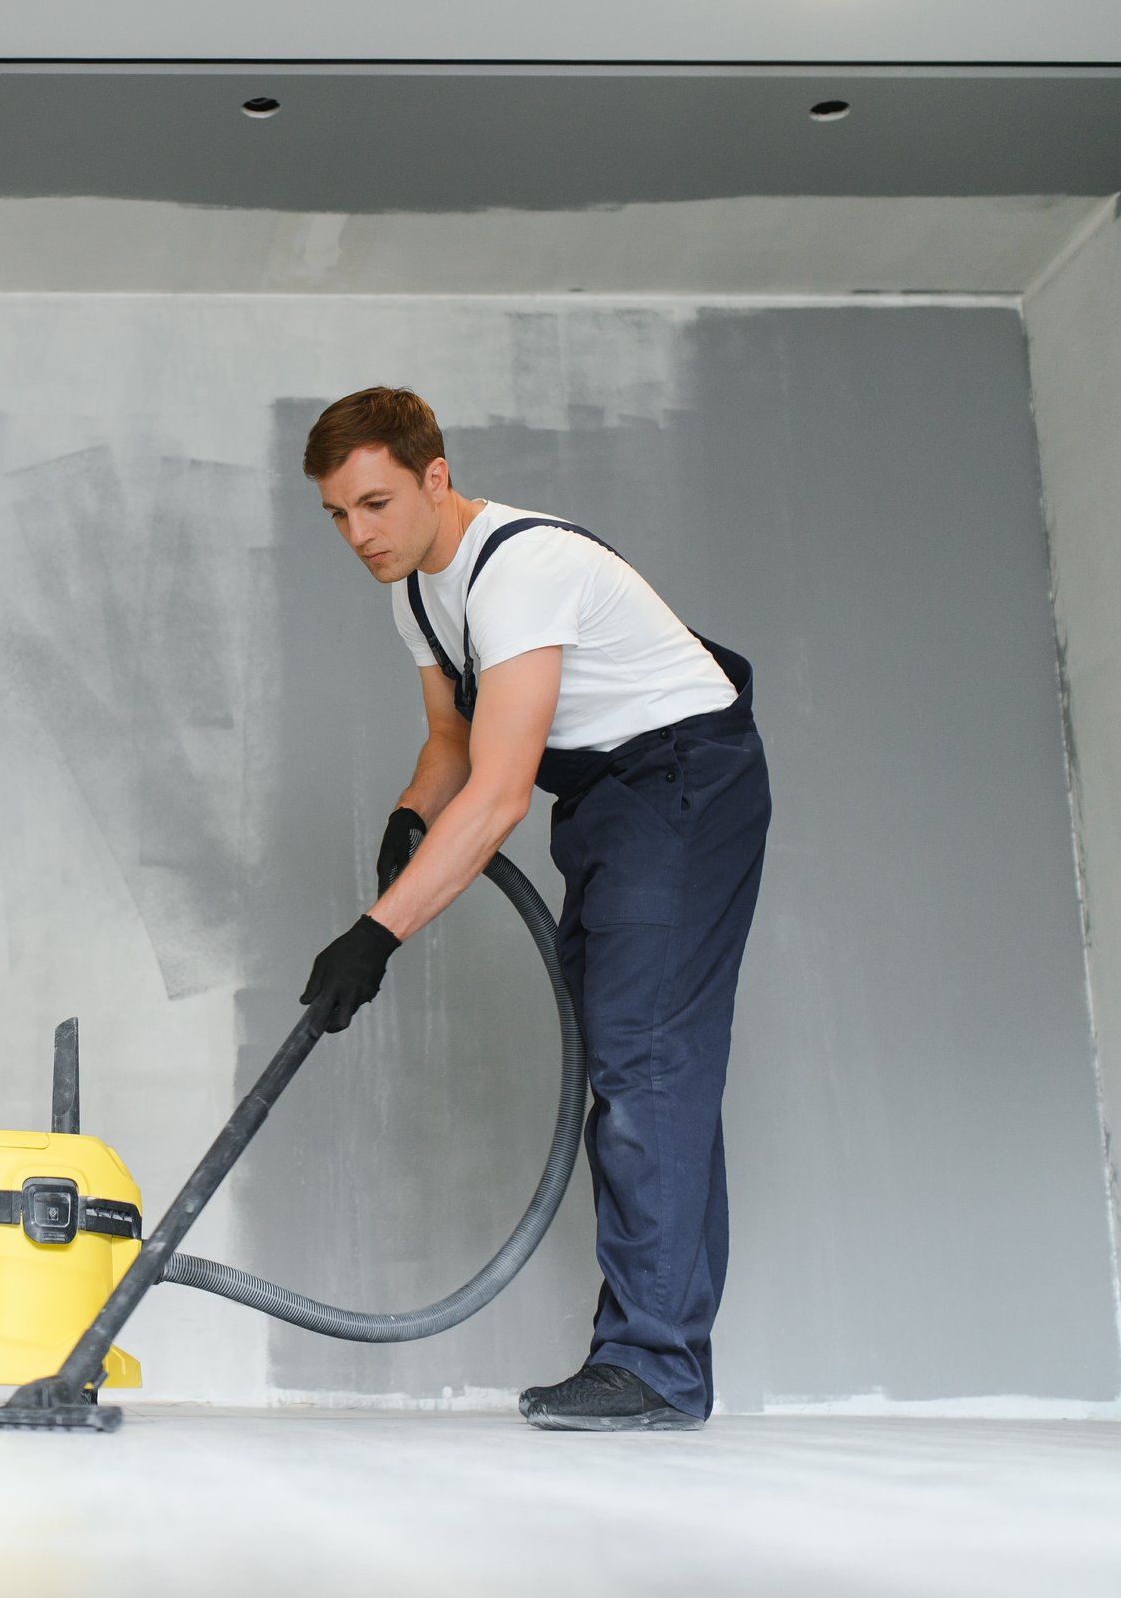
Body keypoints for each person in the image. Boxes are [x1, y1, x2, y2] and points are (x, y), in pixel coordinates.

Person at [296, 386, 771, 1433]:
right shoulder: (415, 591)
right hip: (607, 798)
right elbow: (452, 745)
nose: (357, 534)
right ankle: (654, 1348)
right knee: (641, 1061)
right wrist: (407, 818)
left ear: (434, 476)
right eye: (336, 514)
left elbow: (503, 793)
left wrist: (376, 935)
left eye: (374, 503)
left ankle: (654, 1367)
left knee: (647, 1060)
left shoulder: (521, 569)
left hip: (684, 782)